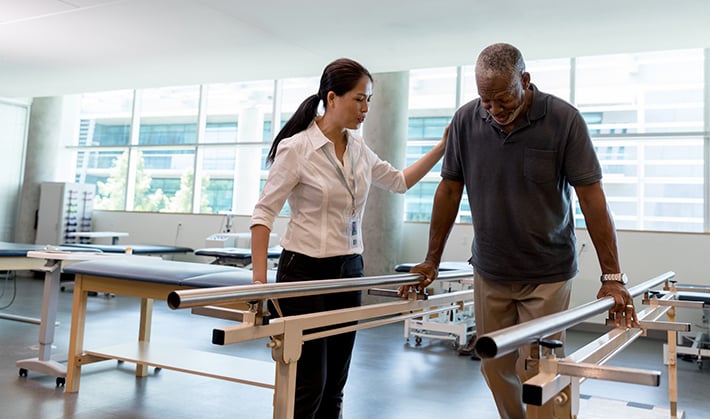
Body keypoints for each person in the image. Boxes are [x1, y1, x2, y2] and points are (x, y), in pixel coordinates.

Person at [403, 43, 637, 419]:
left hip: (547, 274)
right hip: (491, 272)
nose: (495, 111)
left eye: (503, 100)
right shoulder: (465, 120)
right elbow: (448, 189)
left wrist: (612, 275)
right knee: (494, 366)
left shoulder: (564, 120)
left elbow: (592, 200)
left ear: (525, 81)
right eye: (486, 101)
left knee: (538, 371)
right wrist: (431, 259)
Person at [250, 58, 447, 419]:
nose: (366, 109)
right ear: (332, 97)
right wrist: (259, 285)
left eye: (369, 100)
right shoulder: (296, 149)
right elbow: (263, 215)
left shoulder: (359, 149)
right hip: (303, 273)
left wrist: (441, 147)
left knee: (336, 384)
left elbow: (400, 182)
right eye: (359, 99)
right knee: (310, 382)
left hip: (349, 270)